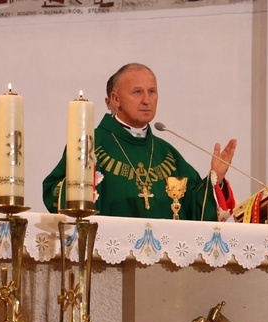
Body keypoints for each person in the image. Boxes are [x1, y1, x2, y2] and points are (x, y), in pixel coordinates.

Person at [43, 62, 237, 221]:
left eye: (152, 92)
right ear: (115, 99)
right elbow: (54, 192)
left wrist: (216, 178)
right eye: (137, 92)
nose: (147, 100)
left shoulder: (166, 152)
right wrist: (80, 185)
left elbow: (195, 209)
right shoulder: (89, 145)